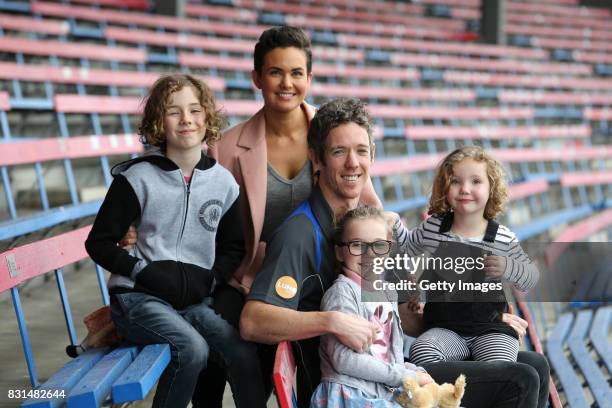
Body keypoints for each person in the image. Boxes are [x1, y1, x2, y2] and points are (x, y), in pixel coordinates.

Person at [240, 98, 550, 408]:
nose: (352, 163)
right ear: (316, 160)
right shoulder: (300, 234)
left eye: (361, 151)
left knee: (535, 365)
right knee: (520, 380)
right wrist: (330, 321)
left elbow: (404, 318)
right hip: (363, 384)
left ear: (372, 157)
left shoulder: (372, 227)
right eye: (339, 152)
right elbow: (252, 321)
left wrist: (486, 318)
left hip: (398, 362)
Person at [85, 74, 266, 408]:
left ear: (208, 118)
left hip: (193, 302)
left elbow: (233, 247)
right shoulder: (137, 178)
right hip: (138, 299)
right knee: (192, 349)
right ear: (158, 122)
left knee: (241, 353)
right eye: (174, 111)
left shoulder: (223, 184)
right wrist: (141, 271)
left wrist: (212, 278)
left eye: (195, 110)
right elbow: (98, 243)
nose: (186, 119)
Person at [390, 146, 539, 366]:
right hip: (445, 331)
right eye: (455, 181)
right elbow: (407, 247)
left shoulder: (502, 237)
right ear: (444, 187)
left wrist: (508, 267)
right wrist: (392, 221)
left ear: (492, 188)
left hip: (489, 330)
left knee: (499, 366)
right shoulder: (434, 228)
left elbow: (529, 278)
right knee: (422, 351)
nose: (464, 189)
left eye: (476, 181)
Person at [312, 206, 432, 408]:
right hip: (349, 396)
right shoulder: (342, 294)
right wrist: (404, 376)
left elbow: (386, 354)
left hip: (379, 392)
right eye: (357, 245)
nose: (370, 255)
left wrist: (413, 370)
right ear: (340, 252)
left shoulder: (385, 291)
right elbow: (343, 360)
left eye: (378, 245)